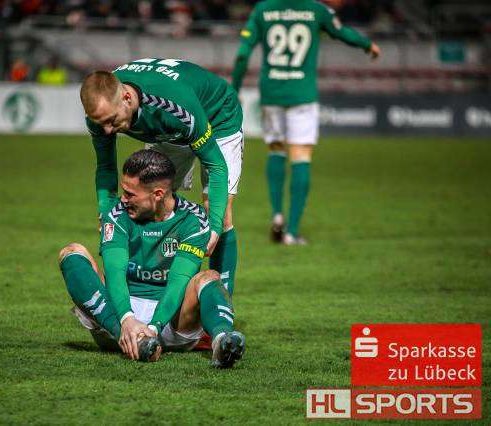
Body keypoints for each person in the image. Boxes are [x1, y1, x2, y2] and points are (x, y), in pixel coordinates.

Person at [58, 150, 245, 368]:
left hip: (172, 321)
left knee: (209, 277)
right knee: (72, 252)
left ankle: (222, 340)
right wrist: (127, 321)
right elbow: (114, 272)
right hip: (117, 317)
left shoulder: (193, 219)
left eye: (130, 194)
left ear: (157, 194)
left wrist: (154, 327)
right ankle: (131, 340)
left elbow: (179, 281)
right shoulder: (116, 214)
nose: (123, 199)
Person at [81, 58, 242, 298]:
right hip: (170, 128)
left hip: (217, 115)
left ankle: (221, 304)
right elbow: (105, 166)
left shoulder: (172, 107)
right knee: (149, 202)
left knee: (219, 211)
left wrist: (215, 227)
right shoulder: (101, 116)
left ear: (127, 98)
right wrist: (106, 211)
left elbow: (216, 166)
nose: (107, 130)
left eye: (112, 121)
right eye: (100, 123)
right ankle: (146, 293)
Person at [231, 0, 381, 245]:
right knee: (300, 156)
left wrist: (235, 89)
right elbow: (342, 32)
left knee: (276, 150)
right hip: (302, 96)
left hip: (272, 94)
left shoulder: (263, 10)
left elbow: (242, 56)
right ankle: (292, 232)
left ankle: (277, 214)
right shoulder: (316, 10)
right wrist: (367, 45)